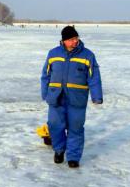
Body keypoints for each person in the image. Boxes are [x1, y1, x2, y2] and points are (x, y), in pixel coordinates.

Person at [40, 25, 103, 168]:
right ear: (64, 40)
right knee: (55, 126)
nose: (75, 41)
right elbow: (45, 75)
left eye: (76, 38)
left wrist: (97, 96)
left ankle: (73, 157)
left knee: (76, 128)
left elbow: (94, 77)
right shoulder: (53, 54)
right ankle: (59, 150)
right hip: (56, 97)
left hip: (77, 99)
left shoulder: (87, 55)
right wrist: (45, 93)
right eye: (71, 39)